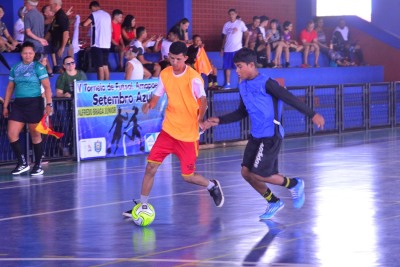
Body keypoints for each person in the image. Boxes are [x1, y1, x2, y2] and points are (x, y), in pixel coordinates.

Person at [205, 48, 325, 220]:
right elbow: (242, 112)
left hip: (271, 135)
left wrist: (313, 114)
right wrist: (220, 120)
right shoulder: (243, 85)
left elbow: (289, 98)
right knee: (246, 173)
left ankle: (295, 184)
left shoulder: (267, 83)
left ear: (251, 65)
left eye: (239, 67)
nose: (237, 71)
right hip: (256, 135)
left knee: (260, 174)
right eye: (235, 67)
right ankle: (273, 201)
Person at [122, 41, 224, 217]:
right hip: (168, 131)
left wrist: (200, 119)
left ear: (185, 58)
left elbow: (203, 100)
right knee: (150, 168)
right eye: (171, 58)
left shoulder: (193, 78)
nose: (174, 62)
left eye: (178, 59)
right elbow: (157, 94)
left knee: (188, 176)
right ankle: (142, 206)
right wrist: (150, 104)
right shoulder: (165, 73)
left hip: (188, 135)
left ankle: (212, 185)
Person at [2, 41, 53, 176]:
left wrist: (49, 104)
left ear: (34, 54)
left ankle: (37, 165)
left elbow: (47, 87)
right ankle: (22, 163)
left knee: (35, 135)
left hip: (34, 103)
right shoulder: (15, 68)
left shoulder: (38, 67)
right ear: (21, 54)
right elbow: (10, 88)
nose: (28, 55)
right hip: (19, 104)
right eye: (25, 53)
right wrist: (5, 106)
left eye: (30, 53)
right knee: (12, 134)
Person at [81, 1, 112, 80]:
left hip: (97, 44)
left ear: (94, 7)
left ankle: (100, 84)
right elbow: (111, 29)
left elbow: (85, 24)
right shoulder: (107, 15)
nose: (91, 11)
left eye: (91, 9)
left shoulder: (94, 15)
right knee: (105, 65)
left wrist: (80, 23)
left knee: (99, 66)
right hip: (107, 45)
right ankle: (107, 83)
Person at [221, 8, 249, 89]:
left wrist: (246, 44)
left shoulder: (240, 23)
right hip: (227, 49)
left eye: (233, 14)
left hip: (237, 49)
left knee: (239, 66)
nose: (231, 15)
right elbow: (225, 37)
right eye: (230, 14)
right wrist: (222, 48)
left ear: (236, 14)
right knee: (227, 67)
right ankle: (228, 84)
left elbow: (247, 33)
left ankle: (240, 84)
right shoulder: (226, 24)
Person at [48, 0, 70, 73]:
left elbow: (66, 33)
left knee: (62, 68)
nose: (49, 6)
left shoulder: (62, 16)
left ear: (55, 5)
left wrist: (62, 48)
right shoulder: (56, 16)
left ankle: (67, 83)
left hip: (60, 46)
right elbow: (51, 30)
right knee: (59, 67)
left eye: (50, 4)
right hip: (56, 45)